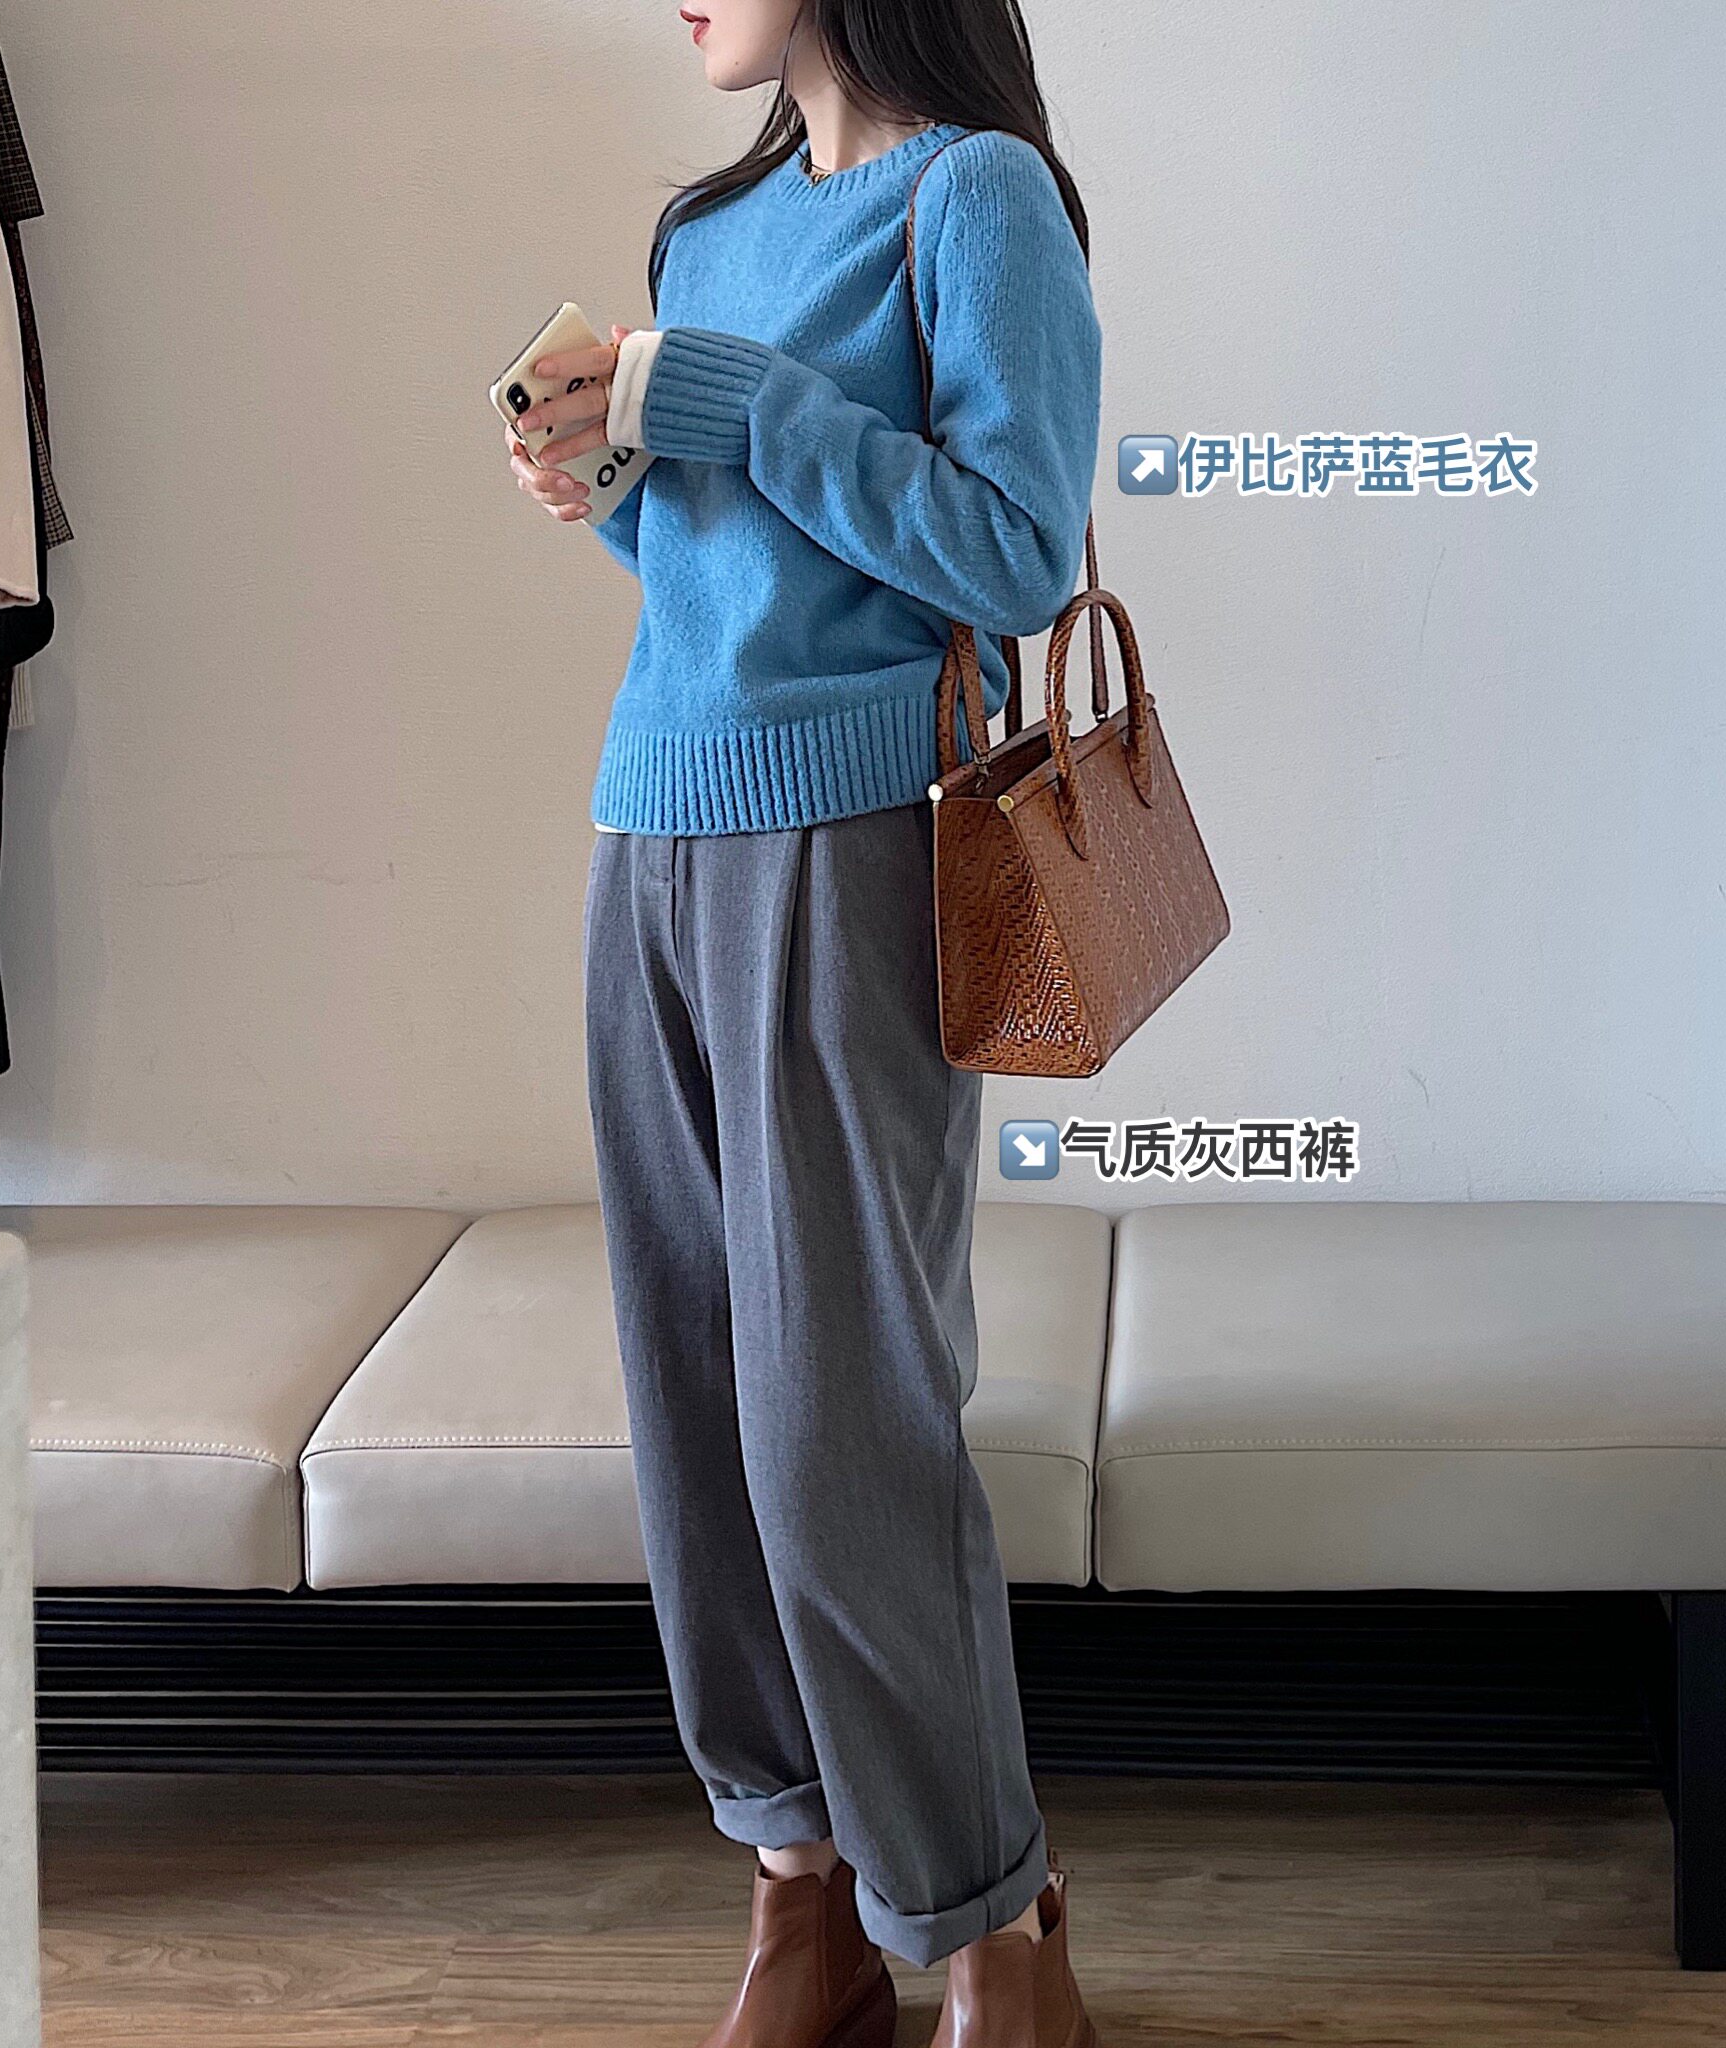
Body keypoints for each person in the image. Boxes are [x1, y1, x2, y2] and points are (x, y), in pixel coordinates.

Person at [501, 2, 1102, 2042]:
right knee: (695, 1405)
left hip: (857, 849)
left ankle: (992, 1926)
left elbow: (1013, 554)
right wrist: (605, 484)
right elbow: (727, 572)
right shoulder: (707, 231)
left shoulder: (977, 201)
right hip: (649, 835)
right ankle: (801, 1890)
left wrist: (740, 403)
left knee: (839, 1418)